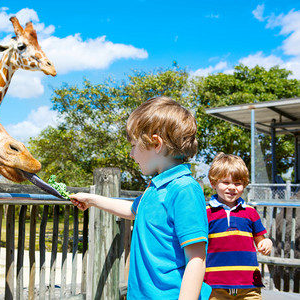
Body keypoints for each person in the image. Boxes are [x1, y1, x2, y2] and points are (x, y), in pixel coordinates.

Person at [70, 96, 211, 299]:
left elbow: (196, 258)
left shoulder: (184, 189)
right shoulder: (154, 188)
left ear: (156, 144)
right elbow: (132, 210)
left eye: (134, 146)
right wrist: (92, 200)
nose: (131, 154)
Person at [205, 153, 273, 300]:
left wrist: (266, 243)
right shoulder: (206, 213)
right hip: (215, 285)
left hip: (249, 284)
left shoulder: (250, 212)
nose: (232, 187)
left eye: (237, 183)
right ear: (213, 182)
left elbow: (260, 239)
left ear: (245, 184)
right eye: (225, 182)